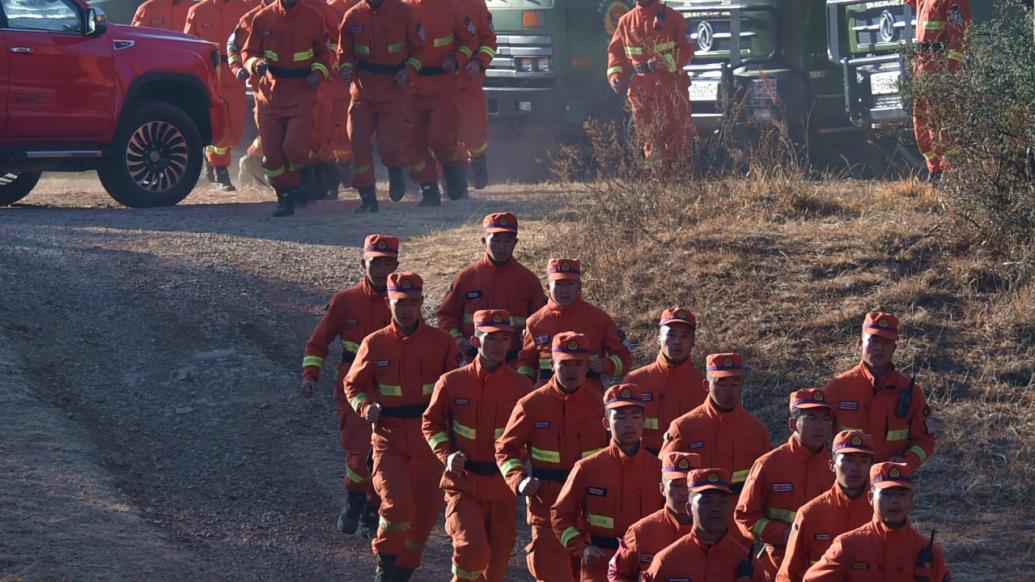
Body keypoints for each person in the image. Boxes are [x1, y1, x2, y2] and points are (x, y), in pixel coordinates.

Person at [343, 272, 463, 581]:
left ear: (421, 302)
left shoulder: (442, 343)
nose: (407, 310)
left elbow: (460, 387)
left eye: (412, 303)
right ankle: (385, 562)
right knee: (397, 507)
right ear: (388, 302)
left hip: (430, 443)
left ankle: (403, 571)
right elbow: (353, 384)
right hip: (389, 439)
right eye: (400, 303)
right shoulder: (375, 343)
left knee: (422, 518)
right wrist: (365, 406)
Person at [422, 309, 532, 582]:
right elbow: (431, 424)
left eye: (503, 339)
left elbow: (533, 436)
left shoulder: (522, 387)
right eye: (490, 338)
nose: (497, 345)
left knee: (495, 567)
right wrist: (447, 456)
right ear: (475, 340)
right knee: (471, 552)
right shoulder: (452, 382)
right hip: (463, 484)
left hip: (502, 489)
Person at [300, 234, 398, 536]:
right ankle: (355, 498)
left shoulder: (402, 302)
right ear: (362, 264)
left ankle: (371, 510)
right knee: (358, 452)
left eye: (388, 263)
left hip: (392, 390)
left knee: (385, 456)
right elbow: (319, 341)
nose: (381, 269)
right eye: (375, 263)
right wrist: (310, 375)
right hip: (352, 387)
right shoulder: (345, 301)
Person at [496, 332, 609, 582]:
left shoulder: (600, 406)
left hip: (590, 515)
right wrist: (519, 479)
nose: (571, 370)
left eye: (577, 363)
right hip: (546, 509)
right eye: (564, 363)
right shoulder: (531, 404)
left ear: (587, 365)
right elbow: (506, 448)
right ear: (552, 364)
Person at [552, 384, 664, 581]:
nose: (628, 424)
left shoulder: (659, 470)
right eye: (620, 417)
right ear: (606, 423)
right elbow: (560, 516)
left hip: (646, 566)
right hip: (599, 565)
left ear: (643, 421)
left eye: (635, 416)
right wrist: (582, 548)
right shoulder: (587, 468)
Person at [241, 0, 332, 217]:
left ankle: (308, 173)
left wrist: (317, 73)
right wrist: (255, 64)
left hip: (302, 92)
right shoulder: (263, 18)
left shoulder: (314, 17)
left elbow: (325, 55)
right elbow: (248, 51)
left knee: (294, 147)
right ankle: (285, 197)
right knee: (272, 154)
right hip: (270, 95)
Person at [735, 389, 835, 581]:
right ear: (792, 424)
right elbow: (744, 516)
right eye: (812, 418)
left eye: (825, 419)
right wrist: (783, 534)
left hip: (823, 571)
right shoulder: (769, 464)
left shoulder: (837, 468)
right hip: (776, 569)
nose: (820, 426)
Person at [337, 0, 423, 212]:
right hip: (363, 91)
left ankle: (395, 169)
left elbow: (420, 50)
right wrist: (346, 68)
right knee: (357, 142)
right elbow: (344, 52)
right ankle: (367, 198)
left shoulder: (404, 13)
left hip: (394, 89)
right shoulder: (353, 16)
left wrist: (408, 71)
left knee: (390, 145)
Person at [822, 312, 935, 470]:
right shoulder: (837, 388)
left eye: (887, 342)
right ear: (860, 343)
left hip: (890, 484)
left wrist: (908, 461)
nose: (880, 347)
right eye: (874, 340)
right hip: (848, 482)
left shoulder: (910, 391)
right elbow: (816, 436)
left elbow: (925, 440)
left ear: (894, 348)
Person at [804, 462, 950, 582]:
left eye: (902, 494)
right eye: (887, 494)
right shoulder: (848, 545)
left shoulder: (929, 552)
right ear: (870, 498)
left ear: (911, 500)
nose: (895, 500)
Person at [436, 212, 547, 362]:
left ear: (515, 243)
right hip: (472, 361)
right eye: (496, 240)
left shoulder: (528, 281)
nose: (502, 247)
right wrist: (458, 339)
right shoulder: (466, 278)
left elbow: (542, 321)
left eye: (507, 241)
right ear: (484, 241)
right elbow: (446, 316)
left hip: (514, 363)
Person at [516, 258, 632, 394]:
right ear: (547, 287)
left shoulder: (599, 319)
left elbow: (625, 358)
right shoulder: (535, 322)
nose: (565, 290)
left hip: (589, 399)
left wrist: (605, 364)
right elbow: (526, 363)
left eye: (570, 284)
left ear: (579, 287)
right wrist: (525, 387)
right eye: (559, 284)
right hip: (547, 398)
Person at [660, 352, 771, 492]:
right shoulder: (683, 428)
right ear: (706, 385)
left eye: (735, 383)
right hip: (695, 510)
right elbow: (664, 478)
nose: (729, 391)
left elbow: (767, 481)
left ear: (742, 384)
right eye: (722, 383)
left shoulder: (756, 431)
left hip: (739, 511)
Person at [777, 431, 876, 582]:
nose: (855, 467)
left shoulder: (879, 514)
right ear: (832, 465)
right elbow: (788, 575)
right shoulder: (809, 515)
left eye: (863, 461)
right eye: (848, 460)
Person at [606, 0, 693, 168]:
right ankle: (656, 183)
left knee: (678, 139)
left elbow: (687, 50)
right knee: (650, 139)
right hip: (642, 91)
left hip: (671, 88)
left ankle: (677, 183)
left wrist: (665, 62)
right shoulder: (626, 21)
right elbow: (615, 52)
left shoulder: (673, 18)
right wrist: (615, 75)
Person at [406, 0, 477, 205]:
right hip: (413, 87)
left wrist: (456, 60)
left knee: (440, 138)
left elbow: (469, 41)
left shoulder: (453, 7)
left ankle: (455, 175)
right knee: (414, 144)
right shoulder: (404, 8)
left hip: (444, 85)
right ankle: (428, 190)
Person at [184, 0, 253, 192]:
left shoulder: (244, 11)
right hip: (210, 77)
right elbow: (188, 45)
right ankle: (221, 170)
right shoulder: (198, 11)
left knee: (236, 129)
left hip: (235, 76)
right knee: (220, 128)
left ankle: (211, 156)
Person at [642, 468, 753, 582]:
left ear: (731, 507)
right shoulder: (667, 561)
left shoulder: (748, 563)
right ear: (689, 509)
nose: (715, 508)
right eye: (706, 501)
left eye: (722, 501)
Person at [607, 452, 701, 582]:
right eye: (676, 485)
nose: (684, 492)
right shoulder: (640, 533)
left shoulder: (714, 532)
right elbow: (617, 574)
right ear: (662, 489)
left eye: (689, 486)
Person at [624, 307, 707, 454]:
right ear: (658, 339)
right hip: (642, 463)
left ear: (693, 341)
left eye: (684, 336)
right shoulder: (635, 381)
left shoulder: (703, 387)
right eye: (671, 334)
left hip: (686, 466)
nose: (677, 342)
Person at [906, 0, 971, 179]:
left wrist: (949, 70)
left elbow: (960, 37)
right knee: (921, 123)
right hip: (922, 66)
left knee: (941, 125)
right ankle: (935, 169)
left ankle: (951, 174)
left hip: (939, 68)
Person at [455, 0, 496, 189]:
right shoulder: (421, 5)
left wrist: (479, 62)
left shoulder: (475, 4)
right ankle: (454, 180)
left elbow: (488, 40)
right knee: (441, 135)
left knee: (473, 131)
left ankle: (478, 161)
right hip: (437, 84)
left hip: (468, 81)